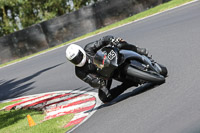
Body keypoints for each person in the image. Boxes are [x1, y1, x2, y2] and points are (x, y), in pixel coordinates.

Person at [66, 35, 148, 103]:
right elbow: (90, 81)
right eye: (75, 60)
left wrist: (112, 40)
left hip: (108, 59)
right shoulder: (79, 72)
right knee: (104, 98)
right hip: (104, 76)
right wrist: (98, 83)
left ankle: (138, 50)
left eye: (78, 57)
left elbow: (102, 41)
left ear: (81, 51)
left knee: (119, 43)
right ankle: (128, 83)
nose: (78, 60)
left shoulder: (88, 48)